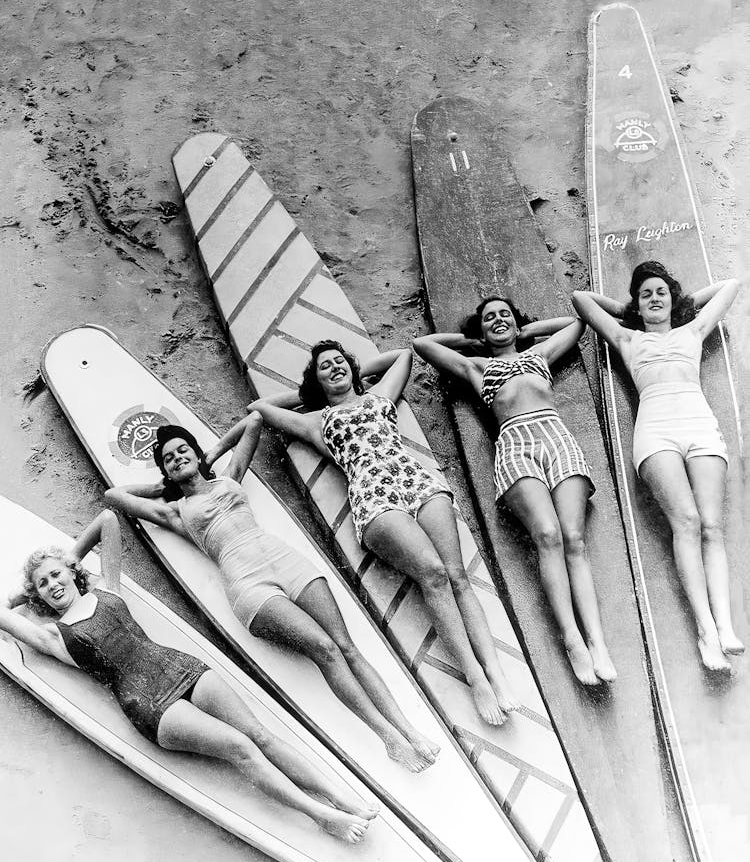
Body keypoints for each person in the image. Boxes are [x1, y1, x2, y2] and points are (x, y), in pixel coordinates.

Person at [0, 510, 377, 842]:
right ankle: (322, 816)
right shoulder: (53, 636)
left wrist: (67, 560)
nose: (53, 585)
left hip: (179, 665)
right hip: (147, 704)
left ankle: (338, 797)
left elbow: (108, 521)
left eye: (56, 574)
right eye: (43, 584)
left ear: (71, 570)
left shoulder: (107, 588)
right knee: (240, 747)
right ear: (39, 596)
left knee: (260, 734)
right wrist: (18, 598)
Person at [104, 414, 439, 772]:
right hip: (248, 582)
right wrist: (160, 486)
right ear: (166, 473)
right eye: (169, 459)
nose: (177, 458)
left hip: (283, 559)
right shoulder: (175, 512)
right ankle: (388, 737)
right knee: (324, 649)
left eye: (182, 450)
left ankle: (409, 731)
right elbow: (114, 496)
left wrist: (208, 456)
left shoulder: (229, 478)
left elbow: (253, 421)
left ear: (196, 452)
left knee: (346, 646)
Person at [248, 341, 518, 726]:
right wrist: (306, 395)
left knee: (457, 576)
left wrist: (355, 374)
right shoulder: (316, 420)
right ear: (316, 380)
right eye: (325, 367)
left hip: (415, 480)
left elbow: (403, 355)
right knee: (433, 575)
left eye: (340, 361)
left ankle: (496, 672)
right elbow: (259, 407)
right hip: (375, 496)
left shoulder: (379, 396)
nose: (335, 368)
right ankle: (476, 678)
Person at [413, 297, 617, 687]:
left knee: (574, 538)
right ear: (481, 330)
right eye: (489, 318)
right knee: (548, 535)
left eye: (504, 314)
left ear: (516, 321)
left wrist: (522, 331)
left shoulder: (539, 354)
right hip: (515, 443)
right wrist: (473, 340)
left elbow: (576, 324)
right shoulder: (476, 366)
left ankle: (598, 642)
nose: (498, 320)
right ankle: (572, 639)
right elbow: (423, 345)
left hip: (557, 438)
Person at [572, 262, 744, 672]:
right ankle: (705, 630)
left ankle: (724, 625)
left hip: (699, 424)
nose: (653, 298)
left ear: (672, 298)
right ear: (636, 303)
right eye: (646, 294)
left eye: (660, 292)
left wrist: (682, 301)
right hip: (656, 431)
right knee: (686, 522)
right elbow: (581, 300)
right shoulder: (627, 337)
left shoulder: (694, 330)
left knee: (711, 526)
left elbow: (731, 285)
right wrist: (627, 308)